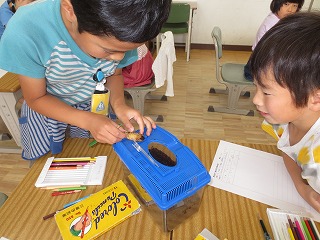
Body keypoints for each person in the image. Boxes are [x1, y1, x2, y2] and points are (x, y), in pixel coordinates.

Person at [0, 0, 171, 160]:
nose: (118, 58)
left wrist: (119, 105)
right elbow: (36, 98)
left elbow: (114, 74)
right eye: (108, 50)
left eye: (126, 51)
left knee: (89, 160)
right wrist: (88, 120)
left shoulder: (122, 29)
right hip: (46, 113)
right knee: (47, 169)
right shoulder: (27, 30)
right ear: (70, 10)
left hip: (94, 106)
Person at [251, 12, 320, 213]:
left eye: (266, 92)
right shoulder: (283, 120)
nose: (256, 100)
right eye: (255, 87)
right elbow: (288, 151)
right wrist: (301, 187)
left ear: (315, 98)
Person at [244, 0, 304, 80]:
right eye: (286, 4)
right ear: (277, 3)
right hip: (257, 69)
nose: (290, 10)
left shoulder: (277, 18)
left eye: (295, 6)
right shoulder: (273, 24)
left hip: (262, 63)